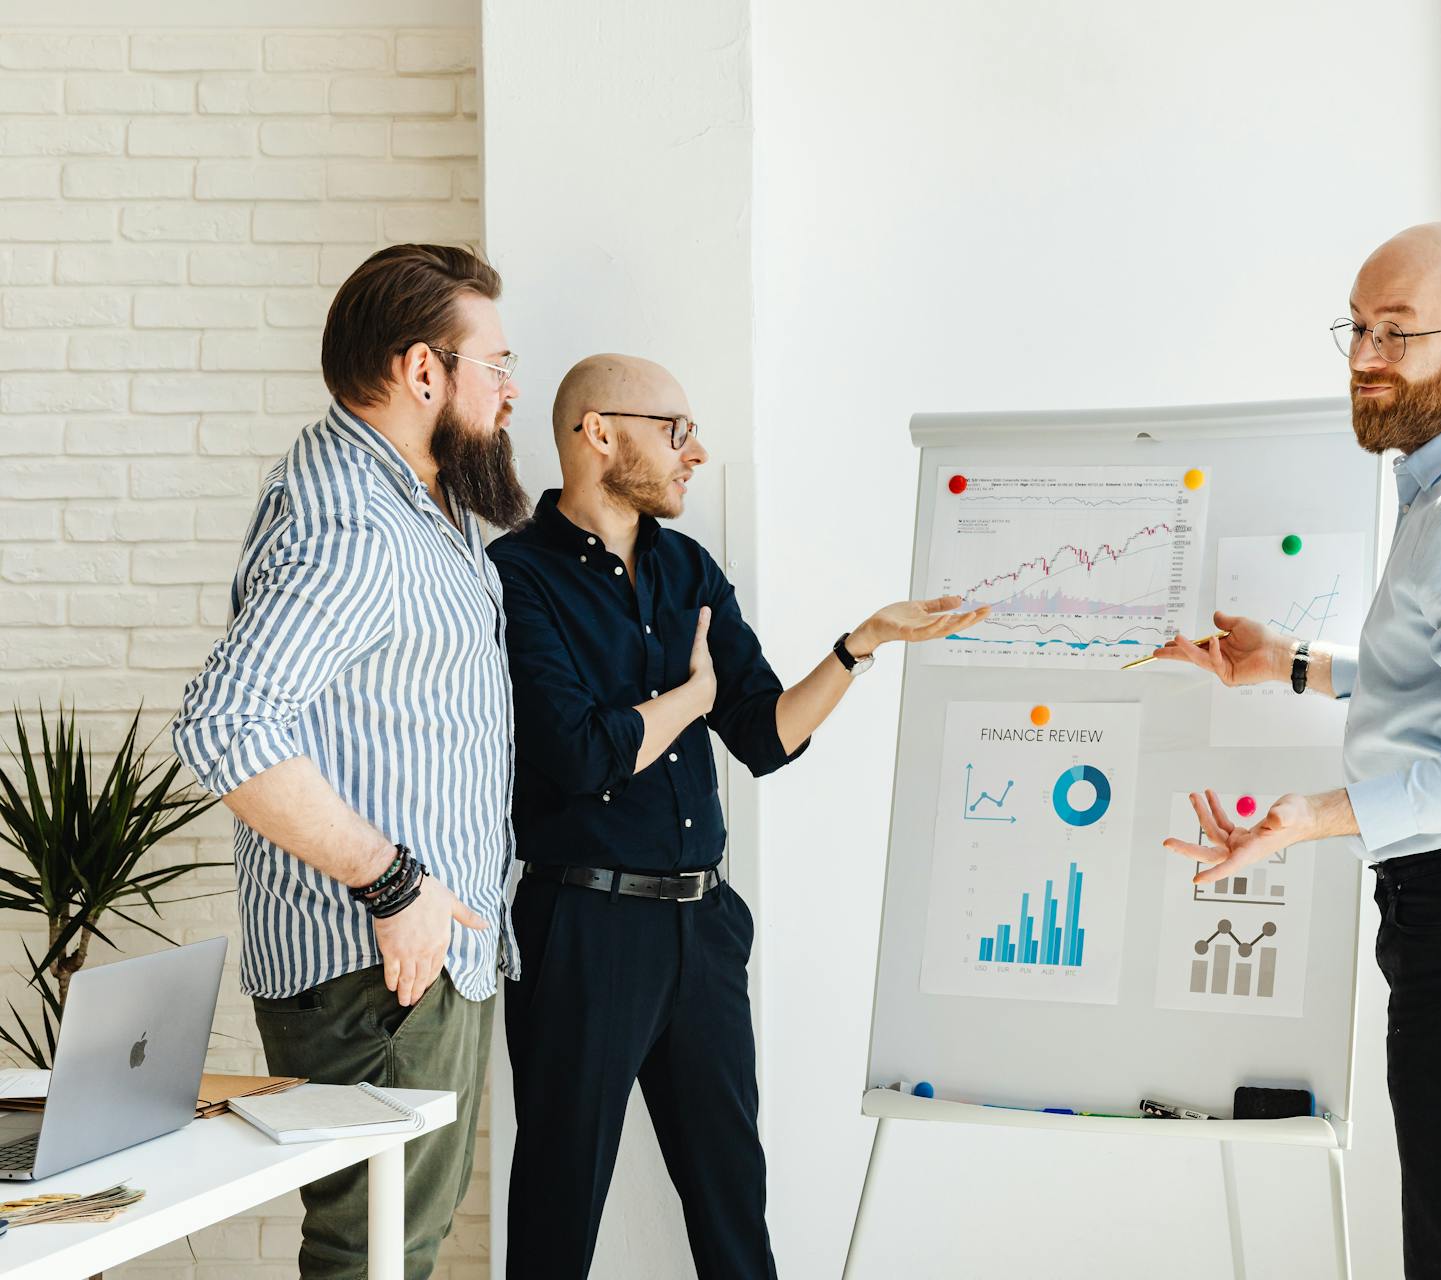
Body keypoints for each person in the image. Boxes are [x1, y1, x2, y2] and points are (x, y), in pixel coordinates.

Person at [1158, 222, 1441, 1279]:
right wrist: (1295, 663)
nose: (1365, 356)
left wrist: (1317, 814)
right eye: (1356, 328)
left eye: (1396, 332)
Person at [489, 353, 986, 1278]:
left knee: (735, 1215)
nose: (698, 452)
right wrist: (690, 696)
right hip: (585, 928)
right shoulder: (517, 577)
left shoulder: (687, 570)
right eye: (676, 431)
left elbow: (761, 735)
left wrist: (859, 646)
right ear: (600, 432)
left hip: (703, 930)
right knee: (558, 1219)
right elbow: (582, 754)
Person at [173, 244, 528, 1280]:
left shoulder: (418, 499)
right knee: (373, 1254)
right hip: (378, 969)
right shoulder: (353, 521)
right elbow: (226, 723)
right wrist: (396, 879)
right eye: (495, 363)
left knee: (392, 1248)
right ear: (425, 372)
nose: (510, 390)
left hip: (415, 964)